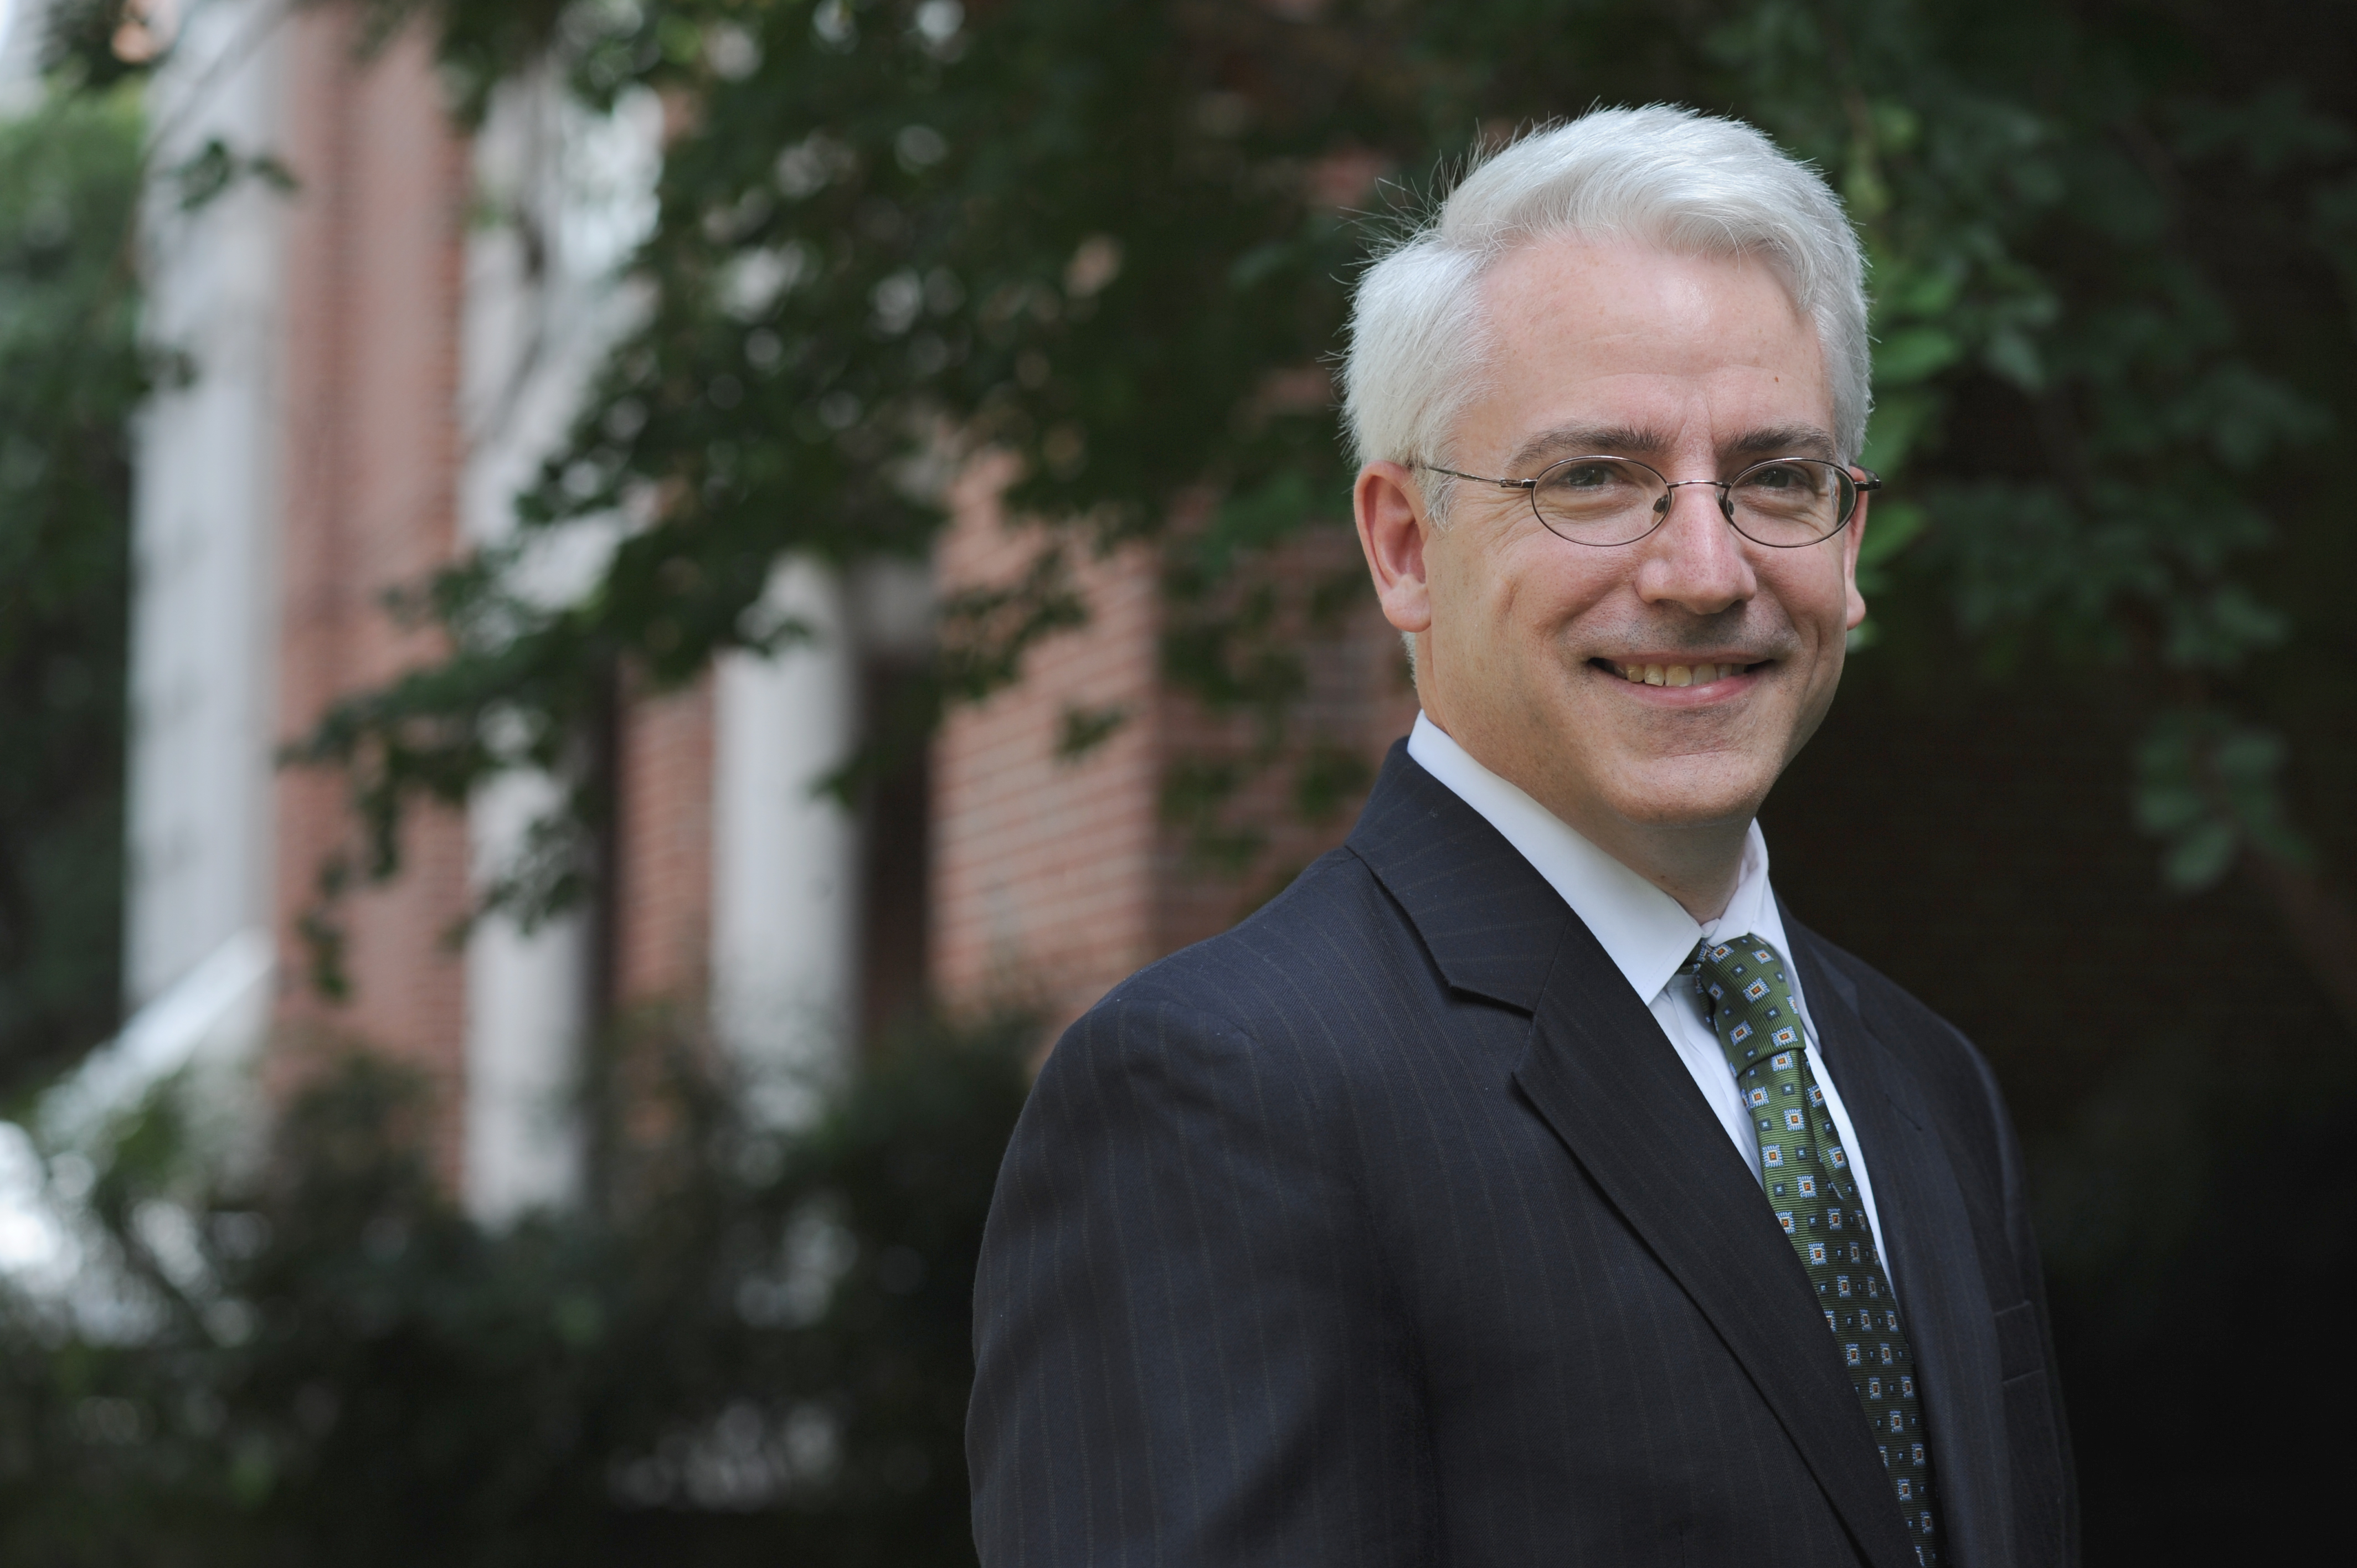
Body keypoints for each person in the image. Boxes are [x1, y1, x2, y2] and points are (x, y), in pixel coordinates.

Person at [966, 105, 2075, 1568]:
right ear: (1404, 547)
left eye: (1778, 479)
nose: (1705, 571)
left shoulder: (1926, 1083)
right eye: (1594, 478)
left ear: (1849, 544)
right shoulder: (1222, 1097)